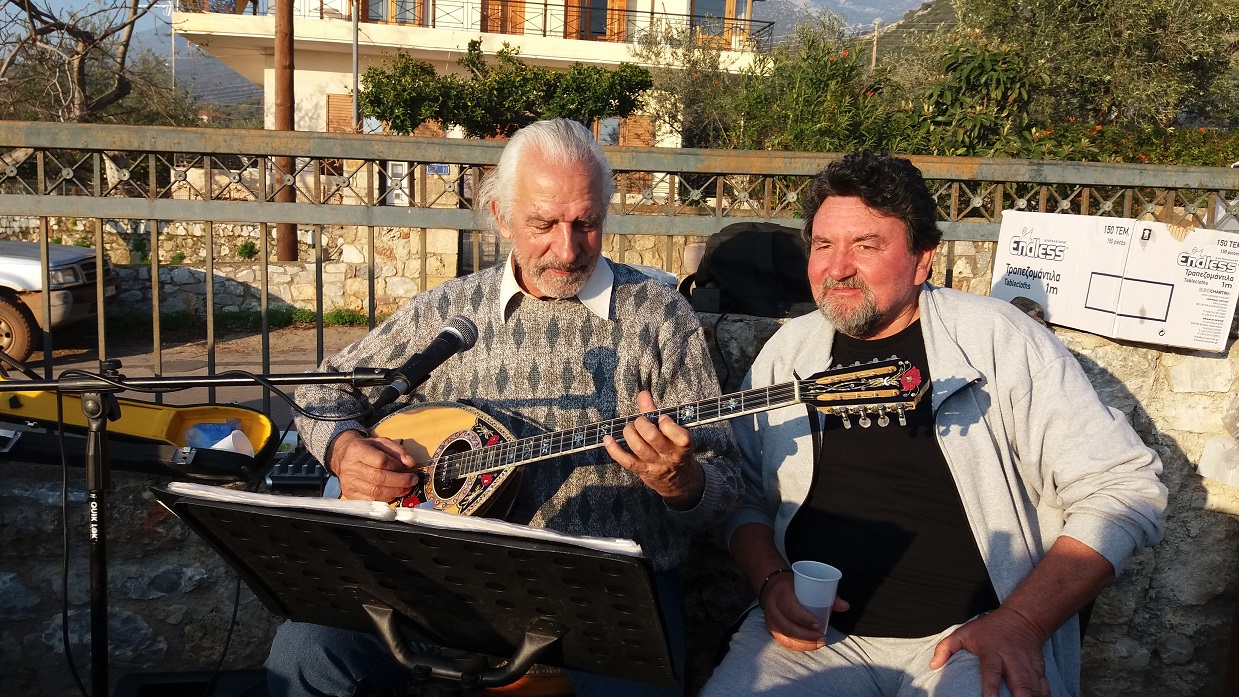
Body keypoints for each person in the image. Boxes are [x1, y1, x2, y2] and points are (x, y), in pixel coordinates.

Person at [265, 118, 742, 697]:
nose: (567, 250)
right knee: (305, 653)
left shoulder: (658, 316)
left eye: (586, 223)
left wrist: (683, 482)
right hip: (444, 574)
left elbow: (725, 481)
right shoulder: (447, 312)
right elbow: (323, 391)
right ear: (500, 215)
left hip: (608, 591)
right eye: (543, 224)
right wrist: (344, 450)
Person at [700, 151, 1166, 697]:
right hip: (814, 639)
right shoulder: (789, 353)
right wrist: (771, 579)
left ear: (922, 259)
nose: (837, 267)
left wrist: (1022, 622)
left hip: (973, 639)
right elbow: (745, 494)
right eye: (823, 245)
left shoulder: (998, 341)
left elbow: (1124, 489)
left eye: (866, 246)